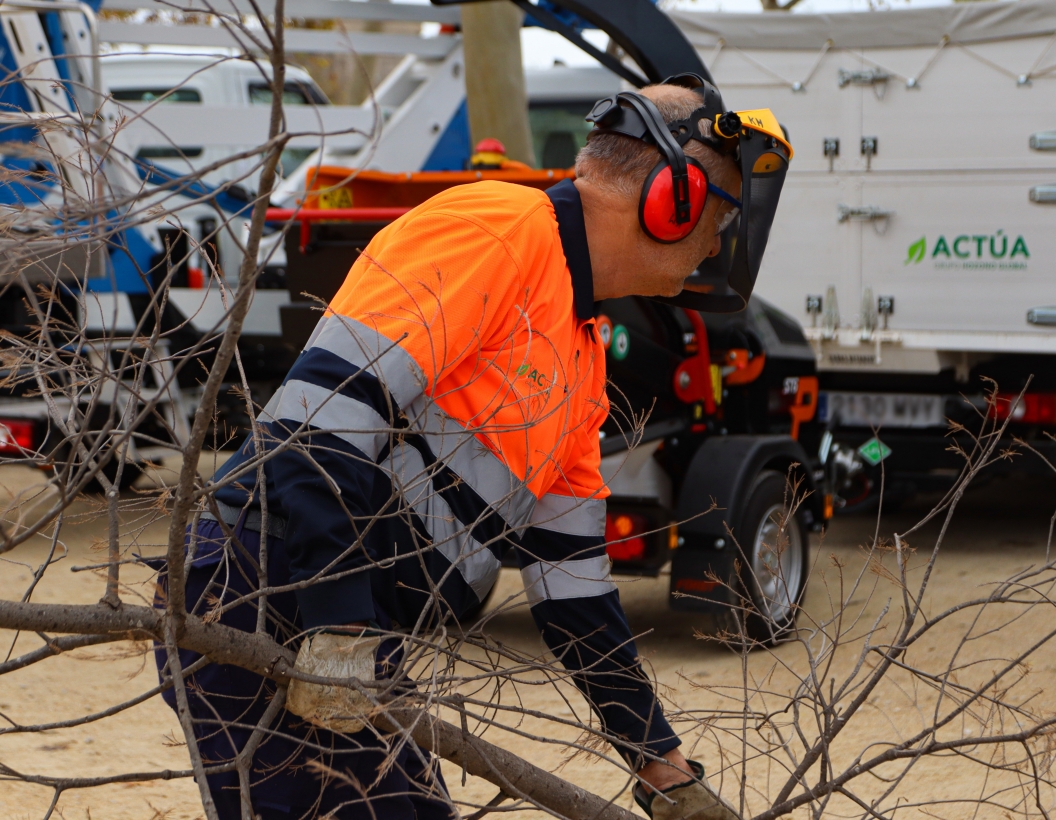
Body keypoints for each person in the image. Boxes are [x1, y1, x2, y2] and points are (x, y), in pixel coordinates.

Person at [154, 73, 791, 820]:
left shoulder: (581, 355)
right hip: (259, 590)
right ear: (671, 198)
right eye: (721, 212)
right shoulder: (497, 228)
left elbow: (575, 596)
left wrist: (661, 765)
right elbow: (321, 422)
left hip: (337, 621)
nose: (720, 239)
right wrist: (342, 627)